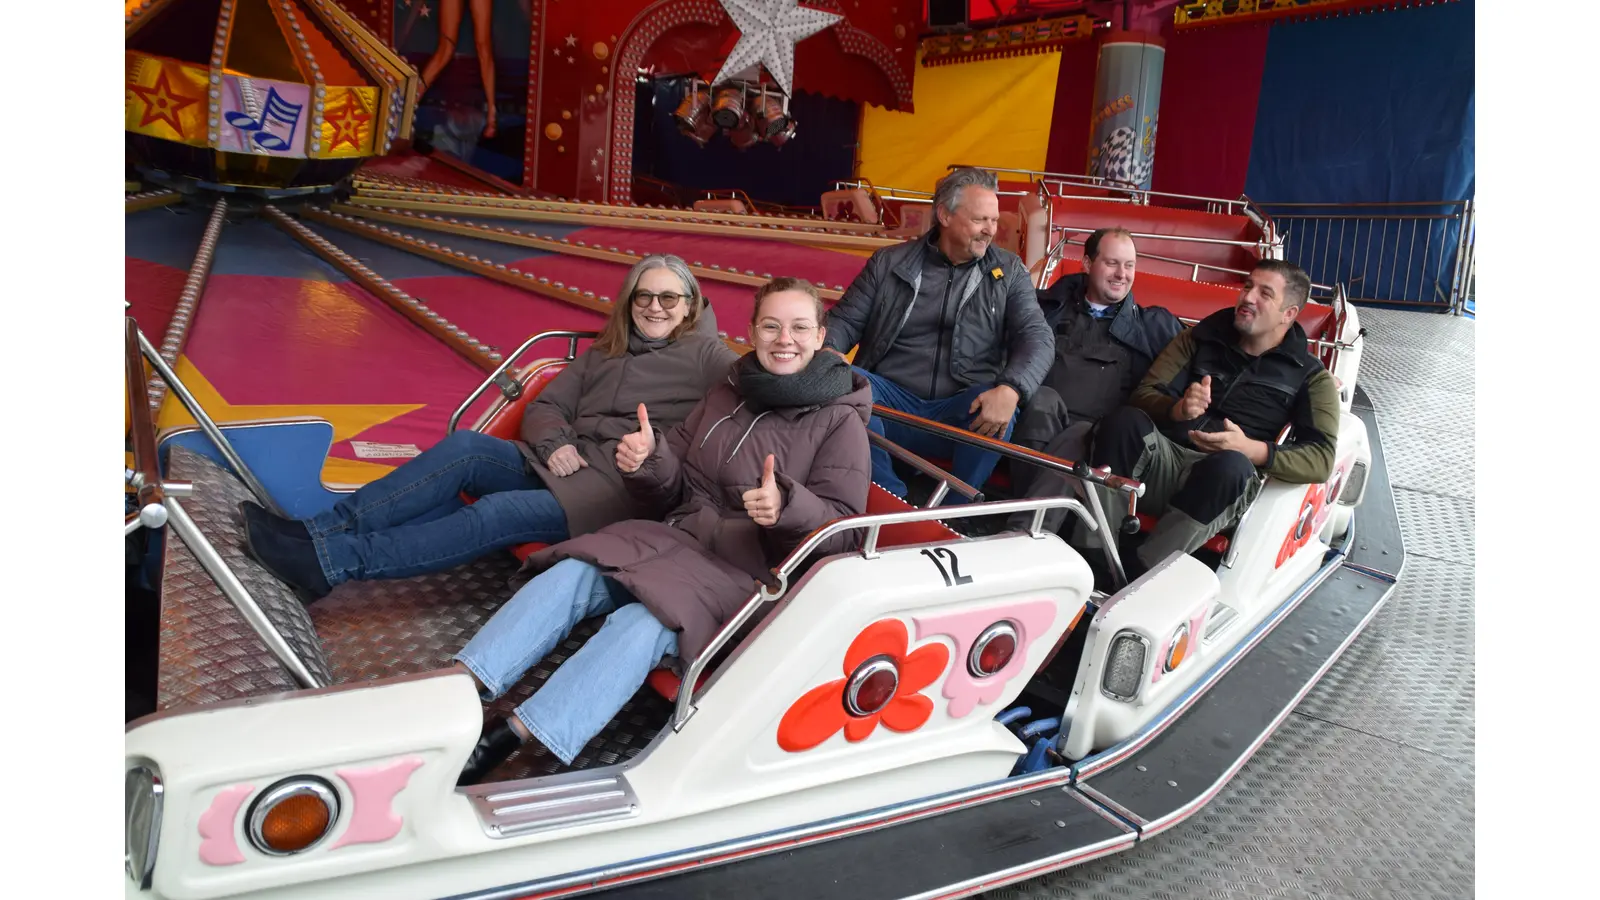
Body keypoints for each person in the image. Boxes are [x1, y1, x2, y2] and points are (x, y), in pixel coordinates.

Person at [452, 277, 872, 785]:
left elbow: (845, 536)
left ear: (822, 335)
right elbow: (673, 487)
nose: (785, 338)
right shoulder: (728, 392)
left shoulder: (839, 421)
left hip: (749, 573)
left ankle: (510, 737)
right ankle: (459, 689)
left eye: (800, 327)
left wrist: (788, 508)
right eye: (772, 325)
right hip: (676, 538)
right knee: (573, 574)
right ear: (752, 331)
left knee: (644, 623)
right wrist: (650, 460)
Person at [240, 255, 737, 602]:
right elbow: (547, 406)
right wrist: (556, 442)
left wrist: (803, 350)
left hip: (612, 491)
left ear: (691, 305)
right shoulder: (607, 350)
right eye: (643, 297)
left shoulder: (704, 357)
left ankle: (332, 563)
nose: (655, 307)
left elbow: (757, 378)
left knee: (496, 513)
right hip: (560, 463)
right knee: (466, 450)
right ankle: (318, 531)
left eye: (669, 298)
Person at [1092, 259, 1339, 574]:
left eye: (1265, 293)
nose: (1248, 297)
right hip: (1165, 458)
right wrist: (1177, 409)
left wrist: (1252, 449)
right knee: (1124, 421)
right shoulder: (1199, 339)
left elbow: (1321, 459)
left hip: (1224, 483)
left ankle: (1143, 573)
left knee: (1232, 465)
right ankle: (1092, 551)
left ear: (1288, 314)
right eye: (1247, 286)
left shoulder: (1310, 376)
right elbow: (1145, 393)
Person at [821, 167, 1053, 501]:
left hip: (960, 410)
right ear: (944, 214)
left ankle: (953, 514)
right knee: (843, 382)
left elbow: (1038, 337)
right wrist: (828, 350)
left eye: (993, 220)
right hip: (889, 404)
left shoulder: (1010, 271)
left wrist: (1012, 388)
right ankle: (891, 500)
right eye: (979, 220)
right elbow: (843, 321)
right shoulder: (888, 263)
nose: (990, 231)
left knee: (1001, 401)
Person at [1007, 228, 1182, 534]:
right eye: (1112, 263)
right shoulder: (1047, 308)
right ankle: (1031, 522)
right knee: (1041, 399)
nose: (1121, 274)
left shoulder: (1153, 326)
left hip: (1100, 441)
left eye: (1129, 266)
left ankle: (1024, 529)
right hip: (1038, 421)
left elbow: (1195, 356)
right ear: (1086, 264)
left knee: (1080, 433)